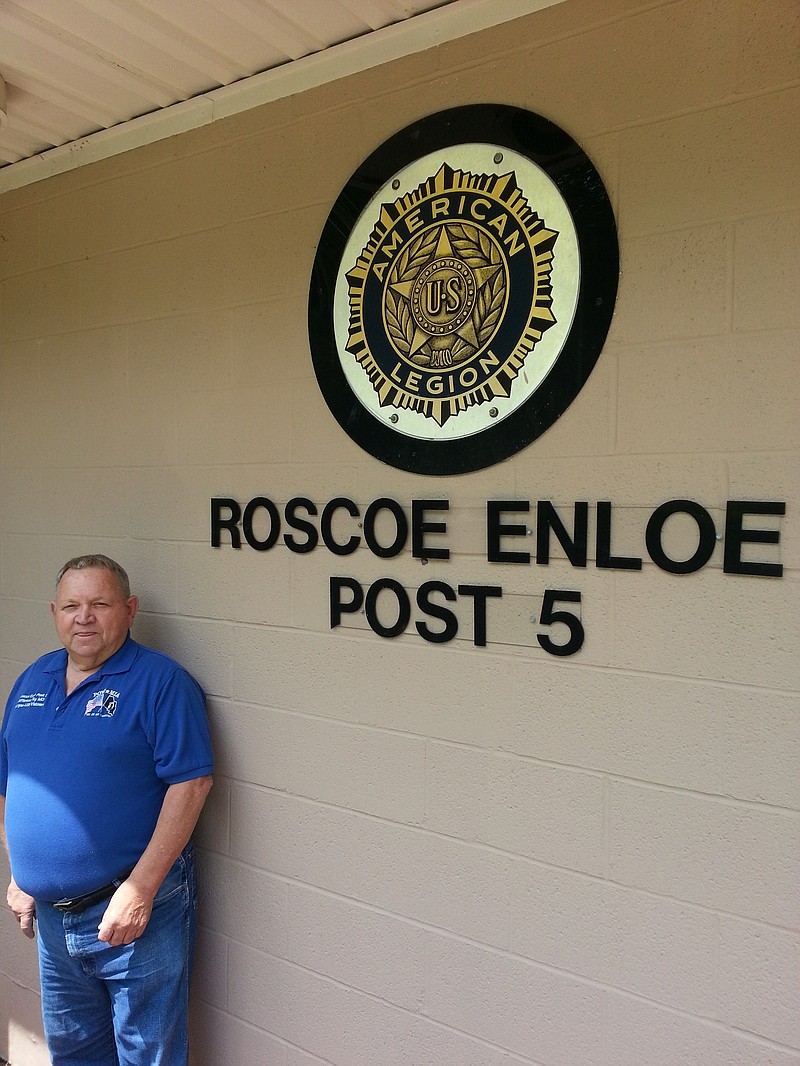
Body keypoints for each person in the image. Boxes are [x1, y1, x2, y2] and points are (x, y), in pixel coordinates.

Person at [0, 554, 214, 1066]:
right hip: (54, 920)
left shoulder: (160, 683)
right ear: (54, 612)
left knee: (147, 1055)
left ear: (130, 609)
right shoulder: (33, 678)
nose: (84, 617)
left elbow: (192, 783)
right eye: (72, 605)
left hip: (134, 913)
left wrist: (139, 891)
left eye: (100, 603)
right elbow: (11, 782)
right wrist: (21, 874)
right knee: (74, 1053)